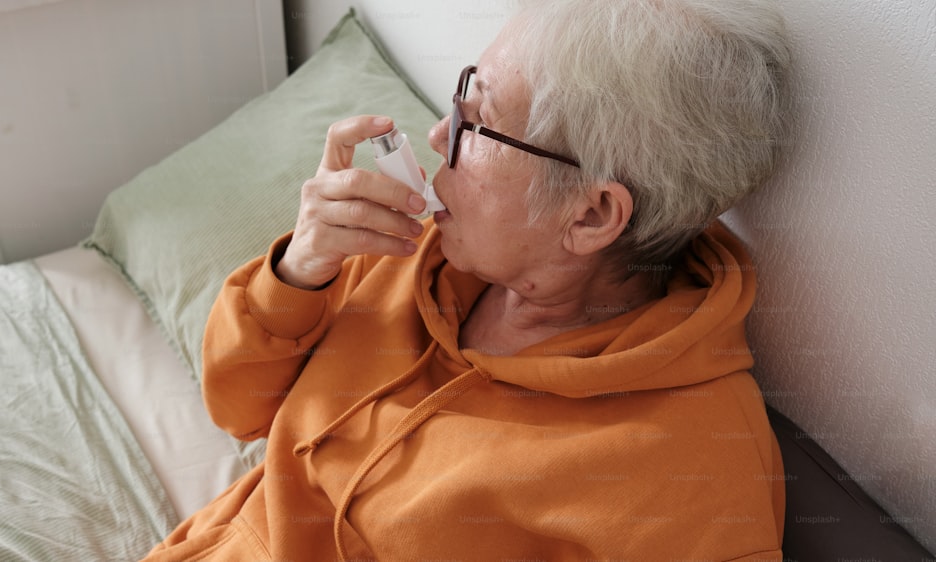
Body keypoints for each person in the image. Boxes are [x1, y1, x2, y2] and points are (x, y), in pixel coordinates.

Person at [144, 0, 791, 559]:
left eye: (478, 122)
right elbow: (238, 407)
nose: (436, 134)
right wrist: (299, 272)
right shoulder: (418, 252)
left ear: (591, 215)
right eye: (463, 95)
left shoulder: (694, 475)